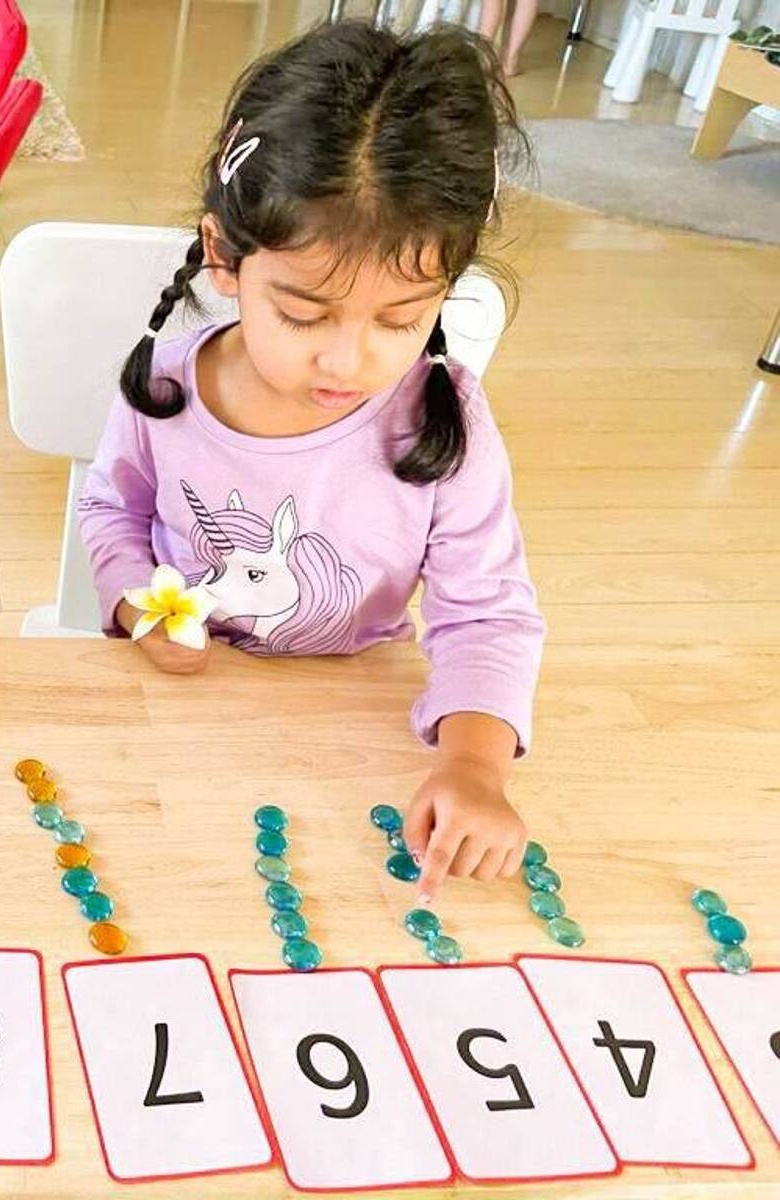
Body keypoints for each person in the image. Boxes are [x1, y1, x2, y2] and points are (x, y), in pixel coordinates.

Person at [78, 22, 543, 903]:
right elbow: (110, 511)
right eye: (303, 315)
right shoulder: (166, 388)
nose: (347, 361)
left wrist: (477, 769)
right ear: (224, 257)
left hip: (353, 711)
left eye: (399, 321)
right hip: (188, 712)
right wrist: (131, 598)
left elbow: (487, 616)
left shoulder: (448, 424)